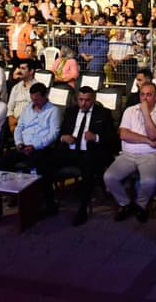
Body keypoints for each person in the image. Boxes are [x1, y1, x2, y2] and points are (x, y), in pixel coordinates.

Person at [104, 81, 156, 223]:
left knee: (150, 181)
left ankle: (141, 205)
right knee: (109, 177)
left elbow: (153, 134)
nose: (145, 98)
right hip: (128, 154)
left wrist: (146, 112)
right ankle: (125, 204)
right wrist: (147, 141)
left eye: (149, 95)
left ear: (155, 97)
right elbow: (124, 135)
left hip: (151, 156)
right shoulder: (130, 110)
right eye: (142, 95)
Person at [54, 85, 116, 226]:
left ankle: (82, 209)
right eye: (81, 100)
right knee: (46, 162)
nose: (83, 103)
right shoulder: (71, 112)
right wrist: (64, 137)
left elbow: (112, 138)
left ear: (93, 99)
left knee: (88, 171)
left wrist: (96, 137)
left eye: (87, 100)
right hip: (70, 150)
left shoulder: (103, 113)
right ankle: (47, 201)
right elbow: (61, 132)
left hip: (90, 152)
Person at [0, 82, 62, 211]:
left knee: (38, 166)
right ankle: (13, 194)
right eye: (32, 99)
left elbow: (53, 134)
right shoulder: (27, 109)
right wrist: (19, 143)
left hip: (41, 149)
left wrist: (34, 146)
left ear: (45, 96)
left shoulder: (53, 111)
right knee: (3, 162)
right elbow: (19, 128)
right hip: (23, 146)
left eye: (37, 99)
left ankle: (45, 203)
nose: (34, 102)